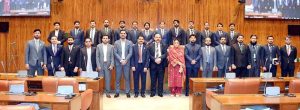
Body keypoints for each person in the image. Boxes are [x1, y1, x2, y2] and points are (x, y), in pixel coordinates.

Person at [113, 30, 133, 98]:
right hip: (119, 63)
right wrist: (121, 60)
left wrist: (126, 60)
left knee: (127, 78)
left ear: (126, 35)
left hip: (126, 63)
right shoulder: (116, 42)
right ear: (119, 35)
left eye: (124, 33)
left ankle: (127, 92)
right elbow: (115, 53)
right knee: (117, 78)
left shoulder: (129, 42)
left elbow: (130, 53)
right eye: (121, 33)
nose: (123, 34)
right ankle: (117, 92)